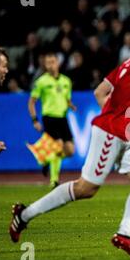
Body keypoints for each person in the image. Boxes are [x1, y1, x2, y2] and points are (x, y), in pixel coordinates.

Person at [10, 19, 130, 259]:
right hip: (113, 132)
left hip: (122, 132)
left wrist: (116, 114)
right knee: (85, 188)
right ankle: (24, 215)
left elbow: (100, 92)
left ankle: (124, 234)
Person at [28, 52, 76, 188]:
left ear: (58, 63)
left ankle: (46, 159)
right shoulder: (41, 82)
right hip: (49, 118)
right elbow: (31, 102)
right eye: (48, 62)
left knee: (70, 151)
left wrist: (70, 105)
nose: (50, 65)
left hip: (63, 118)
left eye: (52, 62)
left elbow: (66, 98)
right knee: (58, 146)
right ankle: (54, 180)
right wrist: (35, 120)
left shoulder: (66, 81)